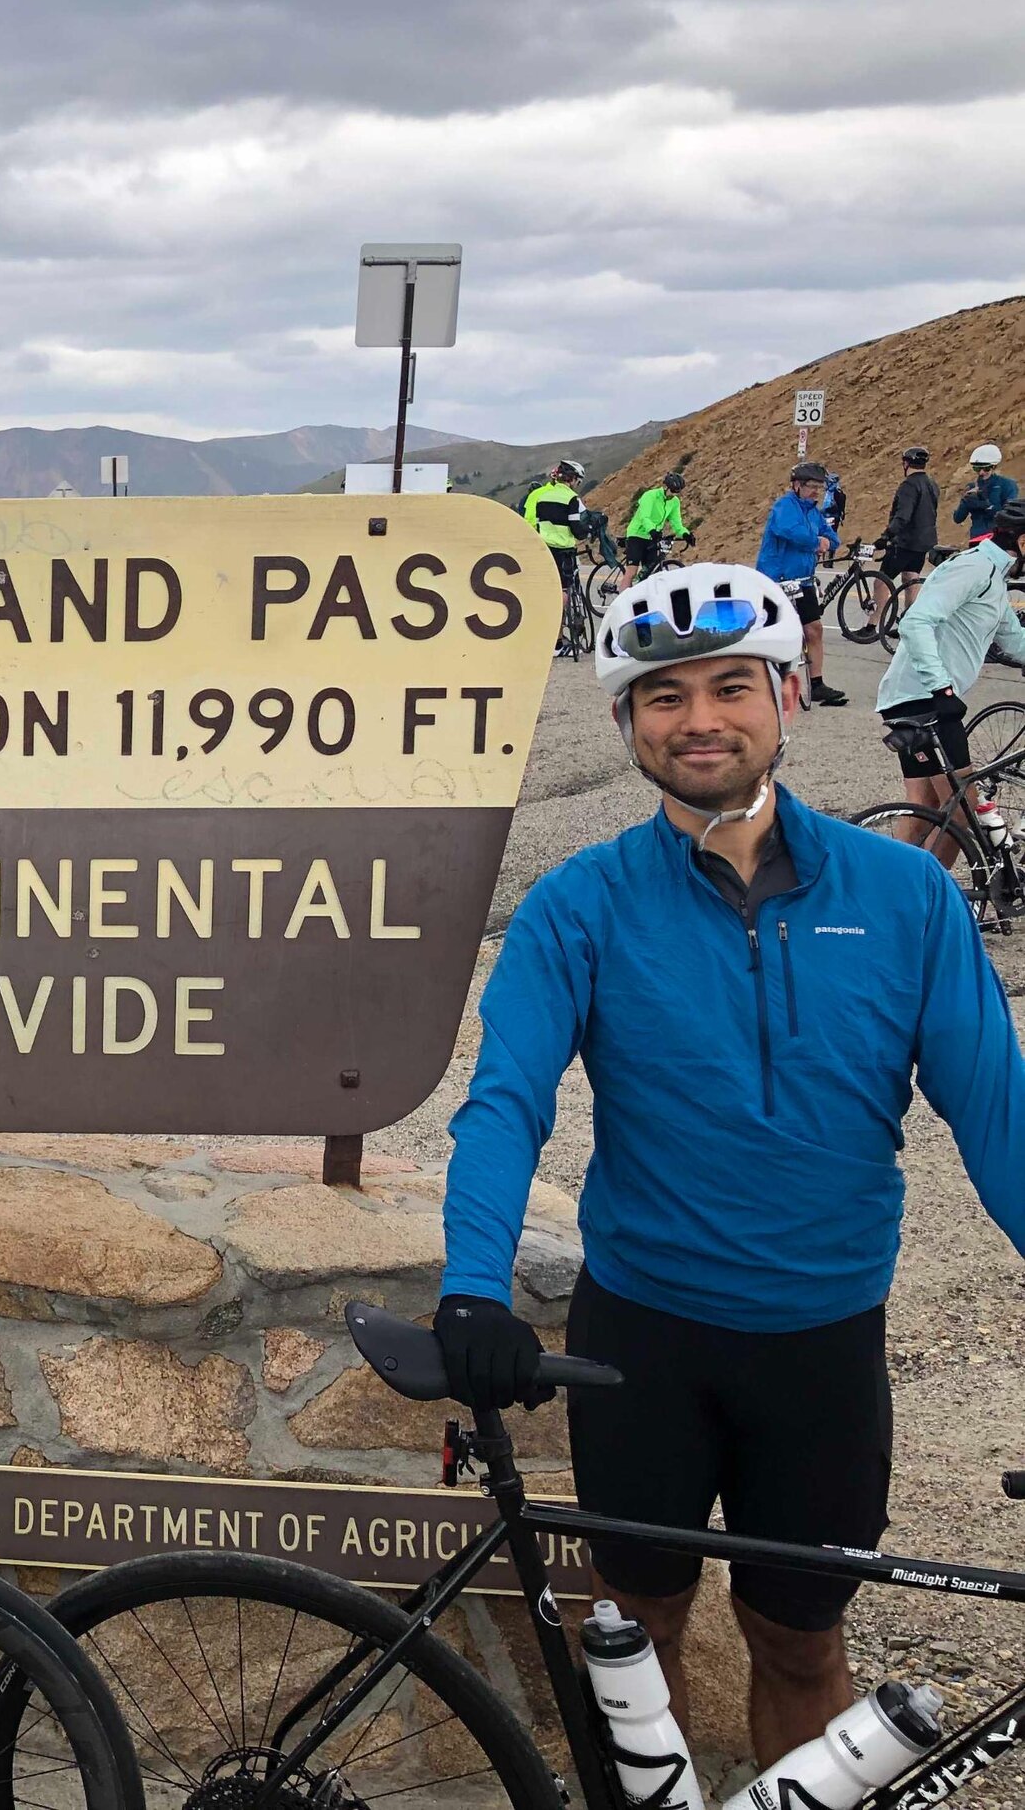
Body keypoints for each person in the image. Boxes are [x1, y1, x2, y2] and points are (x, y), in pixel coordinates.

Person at [439, 561, 1025, 1771]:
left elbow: (998, 1119)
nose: (698, 718)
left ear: (789, 696)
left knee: (801, 1644)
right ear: (625, 723)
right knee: (635, 1627)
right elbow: (503, 1105)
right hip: (641, 1339)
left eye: (728, 687)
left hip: (821, 1344)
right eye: (663, 696)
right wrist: (470, 1285)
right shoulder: (578, 904)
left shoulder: (907, 894)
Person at [876, 500, 1025, 866]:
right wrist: (941, 688)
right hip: (924, 700)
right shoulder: (975, 568)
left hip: (912, 698)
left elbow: (1014, 639)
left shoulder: (992, 576)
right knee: (963, 815)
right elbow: (915, 622)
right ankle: (932, 907)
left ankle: (884, 899)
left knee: (925, 809)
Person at [756, 460, 846, 704]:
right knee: (775, 631)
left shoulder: (813, 512)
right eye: (811, 486)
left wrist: (826, 542)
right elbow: (790, 531)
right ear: (796, 485)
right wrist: (816, 542)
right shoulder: (783, 507)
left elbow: (833, 538)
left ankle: (817, 683)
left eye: (819, 487)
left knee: (813, 629)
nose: (815, 491)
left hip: (803, 580)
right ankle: (771, 681)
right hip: (778, 579)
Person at [524, 457, 589, 654]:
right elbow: (577, 529)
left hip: (544, 548)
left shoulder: (543, 496)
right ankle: (558, 642)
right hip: (564, 549)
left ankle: (542, 634)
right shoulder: (572, 499)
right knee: (562, 594)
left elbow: (536, 522)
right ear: (572, 479)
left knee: (547, 591)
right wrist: (587, 531)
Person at [872, 445, 941, 626]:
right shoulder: (932, 484)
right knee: (911, 579)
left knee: (882, 580)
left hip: (904, 541)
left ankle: (873, 623)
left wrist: (886, 535)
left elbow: (903, 515)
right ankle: (908, 623)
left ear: (906, 463)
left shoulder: (909, 485)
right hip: (924, 541)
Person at [619, 470, 693, 587]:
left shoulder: (674, 502)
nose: (674, 494)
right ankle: (621, 601)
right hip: (637, 534)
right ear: (665, 487)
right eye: (673, 491)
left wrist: (686, 534)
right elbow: (645, 517)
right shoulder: (650, 496)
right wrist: (652, 530)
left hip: (653, 536)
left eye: (677, 492)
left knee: (651, 573)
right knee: (632, 571)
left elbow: (677, 523)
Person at [953, 445, 1019, 542]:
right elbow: (958, 518)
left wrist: (985, 505)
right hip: (977, 539)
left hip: (999, 538)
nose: (981, 472)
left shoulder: (1007, 485)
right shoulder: (971, 487)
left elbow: (1009, 514)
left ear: (994, 466)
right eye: (977, 469)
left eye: (986, 468)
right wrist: (965, 500)